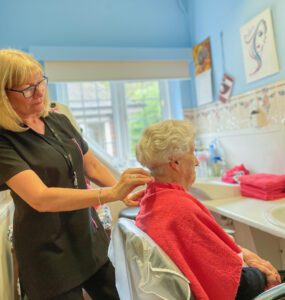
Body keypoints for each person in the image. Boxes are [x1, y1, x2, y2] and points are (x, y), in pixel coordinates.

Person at [0, 49, 153, 300]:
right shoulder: (5, 142)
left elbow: (90, 167)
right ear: (4, 95)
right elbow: (41, 198)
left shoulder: (58, 121)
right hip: (48, 255)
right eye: (27, 88)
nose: (39, 92)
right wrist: (110, 193)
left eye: (40, 82)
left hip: (88, 240)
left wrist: (122, 190)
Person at [135, 119, 281, 300]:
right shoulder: (179, 207)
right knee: (274, 273)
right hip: (233, 289)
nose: (196, 161)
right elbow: (235, 286)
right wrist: (260, 274)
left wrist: (244, 255)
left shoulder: (152, 199)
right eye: (192, 152)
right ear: (175, 163)